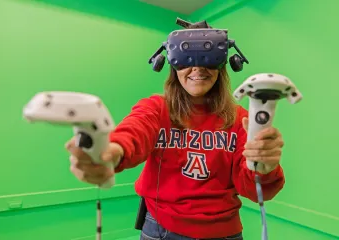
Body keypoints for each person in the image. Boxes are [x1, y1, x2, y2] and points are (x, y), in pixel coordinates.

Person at [65, 64, 285, 240]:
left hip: (223, 233)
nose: (198, 68)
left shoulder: (241, 119)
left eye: (207, 58)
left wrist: (264, 167)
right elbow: (135, 130)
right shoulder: (157, 108)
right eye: (188, 59)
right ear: (173, 66)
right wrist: (111, 152)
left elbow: (258, 191)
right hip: (160, 229)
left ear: (221, 66)